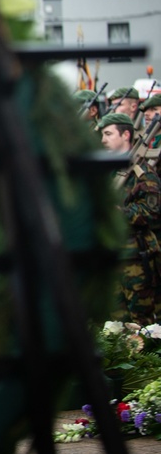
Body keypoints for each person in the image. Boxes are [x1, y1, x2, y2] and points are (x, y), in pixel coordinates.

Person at [97, 112, 161, 325]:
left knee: (142, 324)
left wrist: (120, 212)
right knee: (115, 326)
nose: (103, 140)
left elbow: (152, 213)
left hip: (136, 260)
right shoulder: (108, 173)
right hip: (112, 257)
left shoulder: (143, 175)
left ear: (125, 135)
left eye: (108, 134)